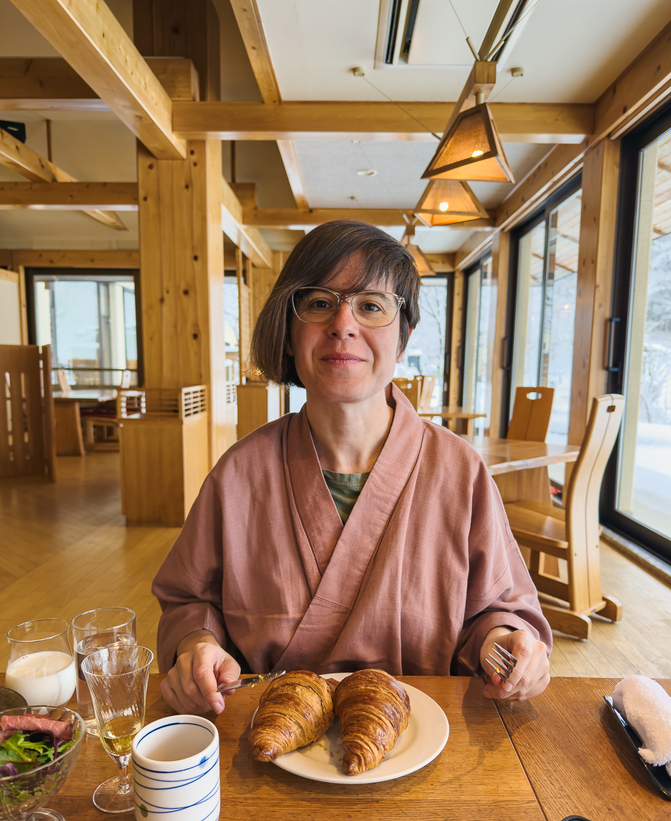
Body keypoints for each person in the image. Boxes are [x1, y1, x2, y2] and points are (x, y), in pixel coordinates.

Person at [153, 220, 552, 716]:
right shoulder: (239, 474)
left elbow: (493, 610)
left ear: (403, 336)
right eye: (319, 303)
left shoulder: (459, 473)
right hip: (268, 738)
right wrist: (195, 646)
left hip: (419, 734)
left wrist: (507, 645)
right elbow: (190, 600)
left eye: (371, 306)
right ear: (289, 330)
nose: (343, 324)